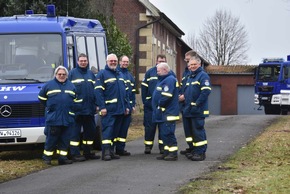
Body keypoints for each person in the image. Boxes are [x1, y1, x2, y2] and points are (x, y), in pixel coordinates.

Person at [95, 53, 131, 161]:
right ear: (107, 62)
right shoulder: (102, 74)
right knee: (107, 131)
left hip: (119, 110)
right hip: (108, 110)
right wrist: (102, 107)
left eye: (115, 61)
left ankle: (111, 151)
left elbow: (124, 93)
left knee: (115, 132)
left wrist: (126, 106)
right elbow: (98, 92)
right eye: (111, 61)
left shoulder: (120, 75)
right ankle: (105, 152)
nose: (113, 62)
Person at [38, 66, 76, 165]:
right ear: (56, 75)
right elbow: (41, 98)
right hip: (54, 118)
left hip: (67, 118)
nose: (62, 76)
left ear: (67, 75)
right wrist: (50, 107)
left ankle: (62, 158)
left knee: (65, 140)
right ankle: (47, 158)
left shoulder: (71, 86)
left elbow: (75, 100)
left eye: (64, 74)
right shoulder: (49, 85)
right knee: (51, 139)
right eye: (59, 74)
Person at [68, 53, 100, 162]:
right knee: (75, 133)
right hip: (77, 110)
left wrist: (96, 104)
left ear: (87, 61)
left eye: (85, 61)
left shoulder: (91, 74)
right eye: (81, 61)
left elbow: (95, 90)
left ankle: (88, 152)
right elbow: (68, 91)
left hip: (89, 109)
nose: (83, 62)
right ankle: (74, 153)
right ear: (77, 62)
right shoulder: (72, 74)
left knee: (90, 132)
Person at [182, 55, 211, 161]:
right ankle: (195, 150)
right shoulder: (190, 76)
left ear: (199, 64)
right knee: (191, 132)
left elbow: (206, 91)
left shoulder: (203, 76)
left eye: (194, 64)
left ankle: (200, 152)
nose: (192, 66)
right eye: (190, 65)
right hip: (189, 109)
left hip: (197, 110)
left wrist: (196, 104)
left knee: (198, 131)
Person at [152, 62, 179, 161]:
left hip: (168, 112)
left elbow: (166, 96)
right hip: (164, 113)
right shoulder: (163, 80)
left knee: (168, 133)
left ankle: (173, 153)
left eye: (158, 70)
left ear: (165, 70)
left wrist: (159, 104)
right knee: (163, 133)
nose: (157, 72)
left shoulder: (169, 80)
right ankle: (166, 151)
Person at [141, 54, 167, 154]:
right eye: (159, 61)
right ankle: (148, 146)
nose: (161, 63)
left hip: (163, 106)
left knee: (162, 127)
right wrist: (145, 101)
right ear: (156, 61)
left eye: (163, 61)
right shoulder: (150, 73)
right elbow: (144, 88)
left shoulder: (169, 73)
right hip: (150, 106)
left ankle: (162, 147)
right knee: (149, 127)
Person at [114, 55, 136, 156]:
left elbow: (132, 92)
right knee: (116, 129)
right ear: (119, 62)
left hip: (128, 106)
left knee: (124, 129)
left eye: (127, 62)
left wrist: (133, 105)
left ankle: (120, 149)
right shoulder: (116, 73)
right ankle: (112, 149)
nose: (125, 64)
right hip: (119, 106)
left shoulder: (130, 76)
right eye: (123, 62)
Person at [179, 50, 198, 155]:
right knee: (187, 129)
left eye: (188, 60)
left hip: (192, 105)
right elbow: (184, 87)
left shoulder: (197, 73)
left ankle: (196, 149)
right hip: (184, 105)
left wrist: (184, 96)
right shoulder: (186, 72)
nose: (187, 63)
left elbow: (194, 90)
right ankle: (191, 147)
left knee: (194, 129)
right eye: (186, 61)